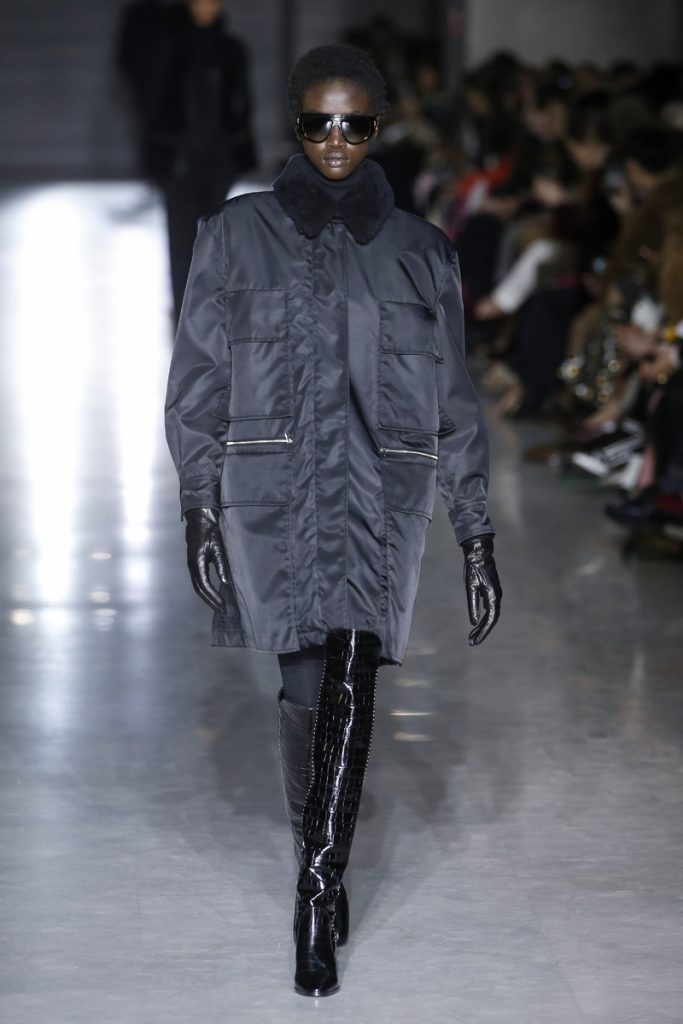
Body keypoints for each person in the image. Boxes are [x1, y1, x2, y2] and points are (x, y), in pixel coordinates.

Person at [164, 43, 501, 998]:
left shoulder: (421, 251)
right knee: (305, 688)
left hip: (383, 499)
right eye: (319, 122)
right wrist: (198, 503)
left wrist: (476, 529)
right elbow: (197, 381)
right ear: (296, 123)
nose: (337, 140)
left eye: (354, 122)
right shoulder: (235, 236)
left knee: (353, 675)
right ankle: (322, 846)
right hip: (276, 497)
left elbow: (453, 400)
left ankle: (315, 891)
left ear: (379, 126)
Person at [151, 0, 255, 324]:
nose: (205, 5)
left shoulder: (232, 49)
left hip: (219, 154)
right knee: (181, 238)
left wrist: (239, 146)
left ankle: (215, 305)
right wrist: (162, 151)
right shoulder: (171, 48)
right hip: (181, 155)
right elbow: (156, 102)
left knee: (219, 236)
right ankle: (183, 308)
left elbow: (243, 102)